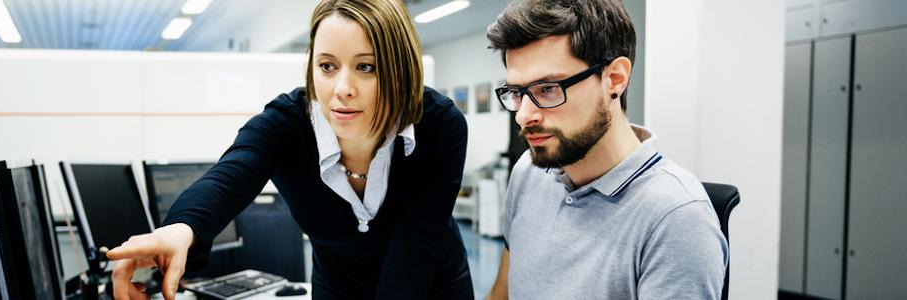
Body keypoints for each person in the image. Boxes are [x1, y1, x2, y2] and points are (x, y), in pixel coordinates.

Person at [103, 0, 474, 299]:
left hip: (430, 285)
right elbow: (230, 175)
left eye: (366, 67)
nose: (341, 88)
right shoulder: (286, 122)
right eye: (327, 66)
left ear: (400, 69)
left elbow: (414, 250)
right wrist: (180, 230)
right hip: (337, 287)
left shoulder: (439, 125)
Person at [483, 0, 728, 299]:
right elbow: (504, 291)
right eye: (517, 93)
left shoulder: (677, 217)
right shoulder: (528, 171)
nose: (523, 116)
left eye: (547, 89)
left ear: (615, 79)